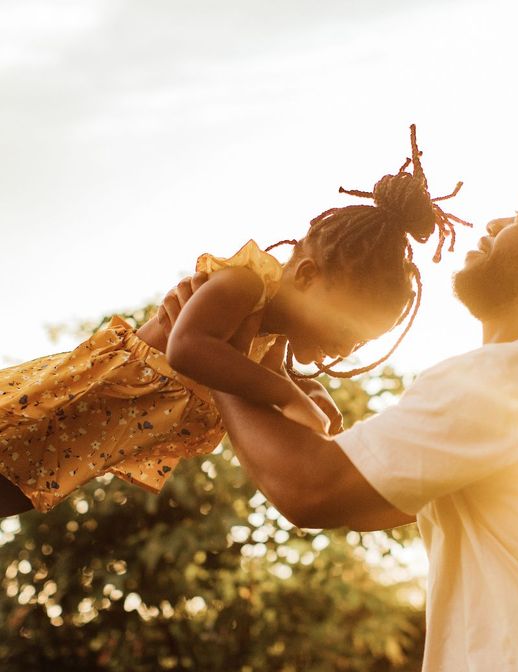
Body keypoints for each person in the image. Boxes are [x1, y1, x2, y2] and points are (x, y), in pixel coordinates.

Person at [164, 175, 518, 672]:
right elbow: (364, 506)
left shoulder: (508, 379)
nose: (497, 223)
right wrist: (267, 381)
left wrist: (224, 351)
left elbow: (310, 490)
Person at [0, 125, 469, 516]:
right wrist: (287, 395)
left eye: (358, 344)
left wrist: (311, 397)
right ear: (306, 275)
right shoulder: (242, 286)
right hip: (53, 406)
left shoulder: (270, 340)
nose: (345, 350)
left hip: (72, 452)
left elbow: (267, 374)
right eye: (346, 330)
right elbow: (189, 348)